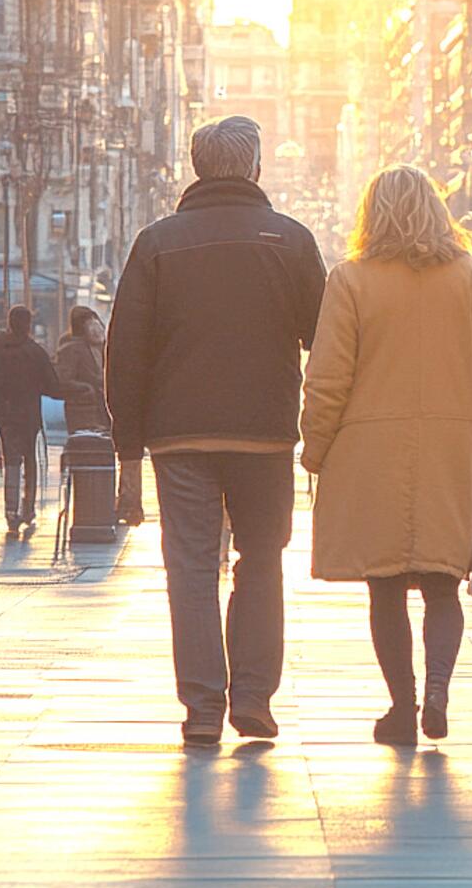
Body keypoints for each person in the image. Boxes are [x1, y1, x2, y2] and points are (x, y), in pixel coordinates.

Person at [106, 116, 327, 747]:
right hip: (265, 434)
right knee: (261, 563)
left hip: (180, 439)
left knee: (192, 569)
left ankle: (203, 707)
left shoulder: (157, 243)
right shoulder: (290, 241)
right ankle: (254, 697)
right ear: (255, 167)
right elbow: (327, 341)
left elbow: (126, 353)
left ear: (197, 168)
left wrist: (128, 455)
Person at [301, 165, 472, 746]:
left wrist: (316, 448)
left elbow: (327, 378)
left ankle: (402, 706)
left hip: (368, 452)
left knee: (385, 587)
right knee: (443, 583)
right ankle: (440, 695)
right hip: (453, 454)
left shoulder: (350, 281)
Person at [0, 305, 85, 533]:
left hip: (5, 415)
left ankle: (10, 511)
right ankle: (28, 507)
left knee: (11, 460)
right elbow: (52, 386)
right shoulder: (35, 352)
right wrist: (78, 390)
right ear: (28, 325)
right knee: (30, 461)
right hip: (29, 415)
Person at [55, 306, 142, 525]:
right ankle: (95, 506)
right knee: (90, 460)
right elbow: (61, 382)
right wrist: (86, 389)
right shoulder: (71, 349)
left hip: (107, 412)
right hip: (84, 413)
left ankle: (120, 505)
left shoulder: (104, 348)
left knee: (111, 458)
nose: (95, 327)